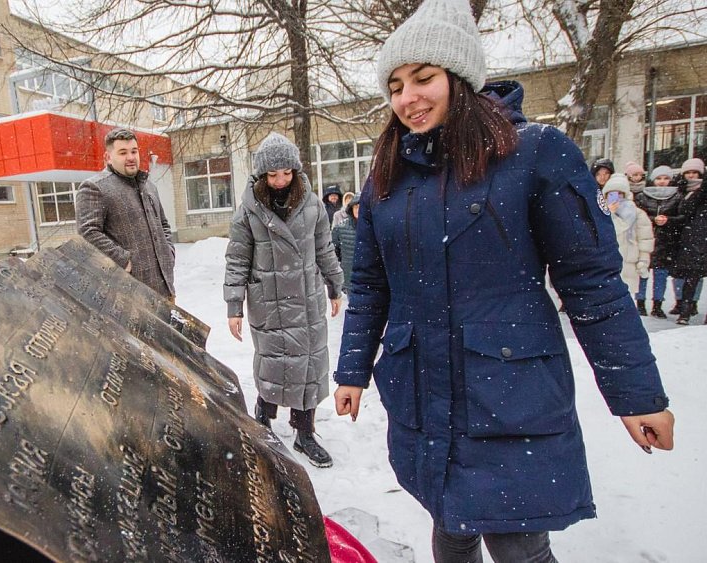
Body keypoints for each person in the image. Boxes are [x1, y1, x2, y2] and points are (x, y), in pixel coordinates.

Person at [333, 1, 675, 561]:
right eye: (395, 85)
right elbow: (371, 286)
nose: (407, 98)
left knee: (517, 544)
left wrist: (637, 396)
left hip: (507, 392)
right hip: (422, 389)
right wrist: (352, 370)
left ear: (460, 78)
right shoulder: (386, 180)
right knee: (451, 524)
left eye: (424, 78)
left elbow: (591, 284)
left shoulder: (534, 154)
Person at [224, 132, 344, 468]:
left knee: (308, 364)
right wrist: (234, 306)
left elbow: (324, 248)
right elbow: (236, 259)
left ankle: (305, 433)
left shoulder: (312, 204)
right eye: (273, 174)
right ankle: (263, 419)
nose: (280, 181)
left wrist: (334, 284)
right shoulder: (249, 209)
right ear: (262, 175)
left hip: (306, 297)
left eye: (286, 173)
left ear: (295, 170)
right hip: (268, 299)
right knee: (273, 361)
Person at [76, 128, 176, 300]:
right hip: (130, 295)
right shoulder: (95, 188)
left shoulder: (149, 186)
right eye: (122, 152)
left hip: (165, 288)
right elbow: (88, 232)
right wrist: (123, 260)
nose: (130, 157)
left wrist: (168, 252)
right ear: (108, 157)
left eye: (134, 151)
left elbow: (164, 225)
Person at [634, 165, 683, 318]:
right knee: (642, 272)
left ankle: (657, 304)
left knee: (661, 274)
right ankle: (640, 303)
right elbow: (636, 216)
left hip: (666, 241)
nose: (662, 182)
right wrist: (652, 220)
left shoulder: (677, 196)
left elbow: (682, 217)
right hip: (645, 239)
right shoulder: (642, 196)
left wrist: (668, 221)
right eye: (659, 178)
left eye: (666, 178)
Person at [603, 173, 654, 304]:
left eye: (620, 193)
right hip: (606, 262)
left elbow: (645, 239)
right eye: (611, 194)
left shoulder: (637, 214)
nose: (616, 197)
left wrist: (643, 260)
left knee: (626, 298)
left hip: (629, 262)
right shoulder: (600, 214)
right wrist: (609, 214)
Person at [669, 157, 707, 324]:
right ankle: (684, 309)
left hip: (699, 236)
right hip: (690, 238)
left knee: (693, 276)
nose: (691, 176)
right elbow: (684, 211)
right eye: (689, 172)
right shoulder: (681, 191)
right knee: (689, 276)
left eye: (695, 172)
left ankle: (688, 308)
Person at [332, 200, 360, 293]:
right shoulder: (341, 228)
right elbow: (334, 252)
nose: (358, 210)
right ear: (351, 209)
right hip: (349, 278)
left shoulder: (374, 226)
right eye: (356, 207)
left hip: (372, 279)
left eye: (361, 207)